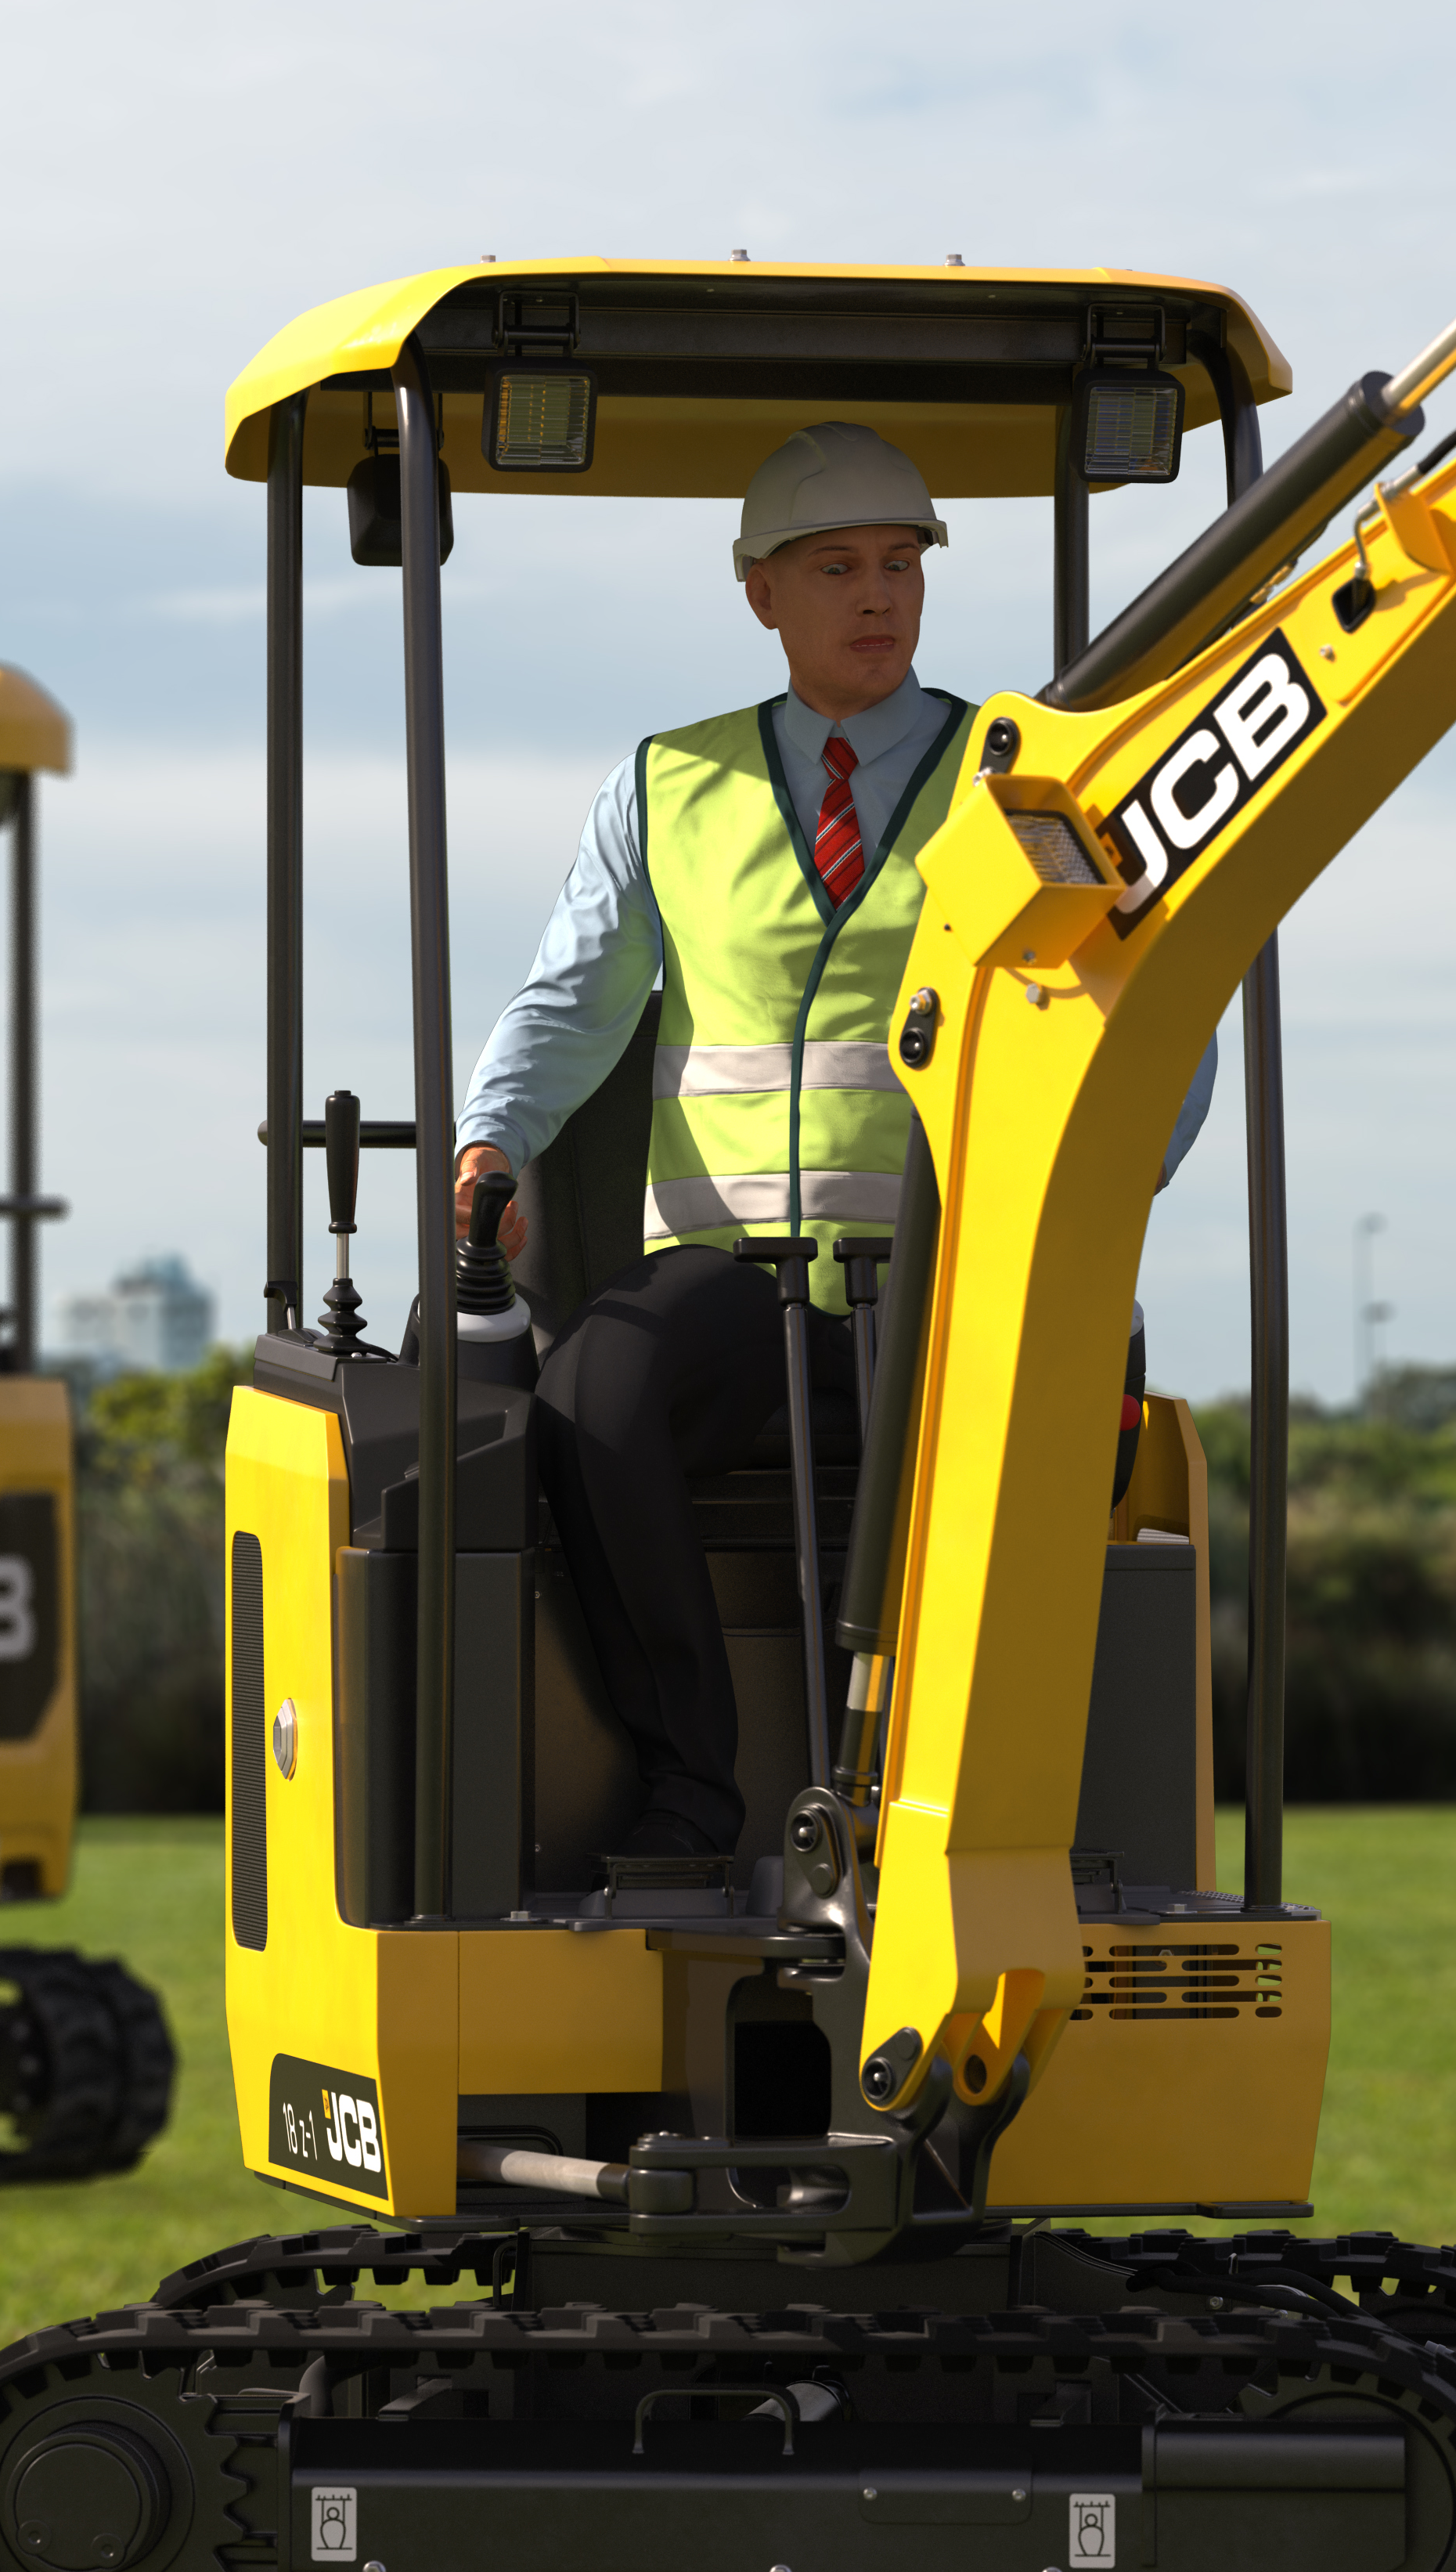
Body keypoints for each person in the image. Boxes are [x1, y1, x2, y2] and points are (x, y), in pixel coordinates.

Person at [455, 422, 1213, 1862]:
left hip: (944, 1276)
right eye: (838, 568)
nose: (880, 597)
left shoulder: (1023, 780)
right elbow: (570, 1000)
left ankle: (953, 1823)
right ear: (762, 594)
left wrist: (1113, 1186)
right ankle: (693, 1787)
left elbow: (1159, 1006)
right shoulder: (665, 788)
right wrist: (492, 1144)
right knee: (593, 1394)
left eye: (902, 564)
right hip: (731, 1282)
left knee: (990, 1430)